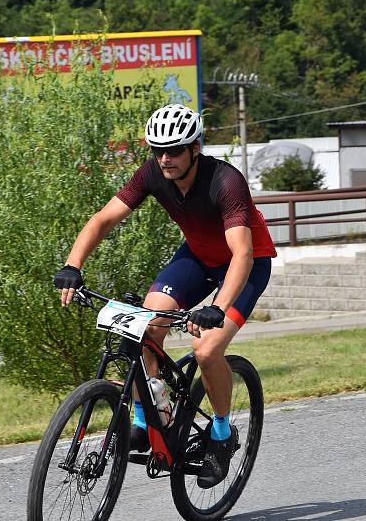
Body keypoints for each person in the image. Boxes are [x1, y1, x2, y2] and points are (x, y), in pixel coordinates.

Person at [54, 103, 275, 488]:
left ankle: (221, 434)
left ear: (195, 148)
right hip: (197, 258)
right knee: (143, 327)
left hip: (246, 266)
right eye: (158, 150)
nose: (165, 158)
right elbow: (103, 218)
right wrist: (73, 264)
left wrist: (217, 309)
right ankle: (146, 417)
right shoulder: (153, 174)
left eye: (174, 150)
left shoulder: (226, 182)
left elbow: (241, 252)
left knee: (206, 349)